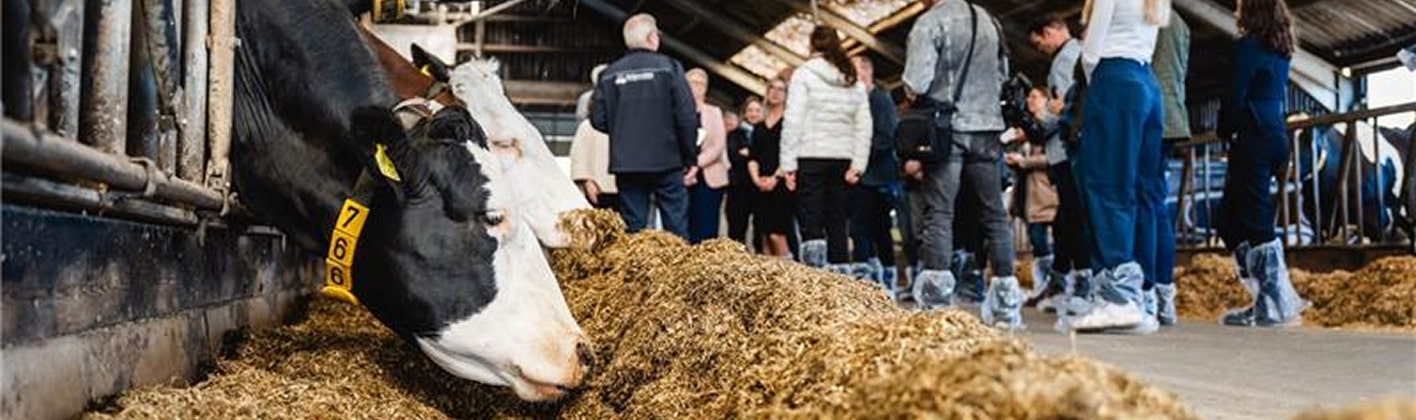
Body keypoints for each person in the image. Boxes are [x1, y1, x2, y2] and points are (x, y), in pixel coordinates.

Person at [902, 0, 1022, 329]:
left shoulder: (931, 22)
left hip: (948, 128)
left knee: (940, 211)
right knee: (994, 213)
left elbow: (916, 81)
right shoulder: (989, 19)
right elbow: (1003, 76)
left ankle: (936, 304)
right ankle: (1005, 306)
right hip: (988, 128)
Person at [1064, 0, 1169, 333]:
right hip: (1146, 81)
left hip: (1114, 78)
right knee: (1142, 192)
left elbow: (1092, 49)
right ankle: (1143, 292)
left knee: (1106, 183)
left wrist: (1097, 84)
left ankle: (1117, 297)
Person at [1216, 0, 1307, 327]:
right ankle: (1266, 295)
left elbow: (1235, 96)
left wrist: (1224, 130)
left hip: (1253, 136)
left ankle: (1272, 303)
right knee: (1228, 217)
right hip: (1274, 135)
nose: (1236, 10)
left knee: (1252, 218)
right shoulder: (1281, 49)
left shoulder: (1248, 47)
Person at [591, 14, 699, 238]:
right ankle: (678, 272)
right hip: (667, 161)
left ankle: (636, 272)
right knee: (675, 226)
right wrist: (690, 158)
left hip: (627, 163)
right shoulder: (670, 68)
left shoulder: (609, 73)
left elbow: (597, 119)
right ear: (652, 37)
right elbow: (687, 117)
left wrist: (624, 130)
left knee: (634, 227)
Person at [780, 26, 872, 274]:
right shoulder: (852, 79)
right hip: (842, 158)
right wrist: (858, 164)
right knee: (838, 220)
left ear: (812, 45)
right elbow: (864, 125)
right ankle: (840, 278)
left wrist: (788, 164)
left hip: (810, 155)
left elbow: (793, 120)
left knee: (811, 219)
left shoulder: (803, 74)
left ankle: (814, 278)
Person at [1028, 15, 1095, 311]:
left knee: (1074, 218)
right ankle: (1059, 280)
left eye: (1039, 41)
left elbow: (1066, 107)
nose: (1040, 48)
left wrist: (1043, 117)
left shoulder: (1066, 59)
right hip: (1065, 149)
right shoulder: (1075, 54)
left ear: (1051, 31)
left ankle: (1083, 281)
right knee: (1065, 220)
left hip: (1067, 150)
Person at [1147, 10, 1190, 326]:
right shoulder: (1181, 24)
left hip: (1145, 116)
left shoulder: (1141, 13)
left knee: (1141, 205)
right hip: (1172, 116)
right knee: (1157, 205)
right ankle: (1164, 294)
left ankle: (1145, 292)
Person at [848, 55, 901, 295]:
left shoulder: (879, 98)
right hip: (858, 175)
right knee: (859, 229)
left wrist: (859, 159)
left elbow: (886, 137)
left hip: (877, 175)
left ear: (866, 72)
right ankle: (865, 281)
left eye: (853, 70)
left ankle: (887, 278)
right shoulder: (854, 99)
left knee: (879, 229)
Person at [1005, 87, 1060, 303]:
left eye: (1035, 97)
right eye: (1028, 96)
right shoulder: (1026, 128)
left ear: (1047, 100)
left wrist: (1025, 162)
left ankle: (1051, 283)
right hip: (1028, 191)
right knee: (1035, 239)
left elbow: (1054, 156)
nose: (1030, 100)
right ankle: (1043, 284)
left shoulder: (1051, 125)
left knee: (1044, 237)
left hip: (1046, 189)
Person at [749, 79, 794, 258]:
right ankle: (771, 282)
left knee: (778, 234)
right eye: (772, 88)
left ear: (786, 95)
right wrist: (756, 180)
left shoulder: (789, 122)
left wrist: (775, 178)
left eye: (780, 89)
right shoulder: (759, 126)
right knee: (764, 236)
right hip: (760, 184)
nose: (775, 92)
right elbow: (753, 157)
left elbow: (790, 152)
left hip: (781, 182)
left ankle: (789, 278)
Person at [684, 68, 729, 244]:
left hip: (709, 177)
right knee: (683, 226)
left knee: (707, 227)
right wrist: (686, 166)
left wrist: (696, 163)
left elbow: (718, 144)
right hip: (682, 176)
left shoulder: (714, 111)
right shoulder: (674, 110)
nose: (698, 86)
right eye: (693, 82)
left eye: (701, 83)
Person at [725, 99, 761, 247]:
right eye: (750, 110)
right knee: (737, 227)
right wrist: (754, 155)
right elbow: (733, 156)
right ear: (745, 113)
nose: (753, 114)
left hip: (759, 187)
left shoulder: (765, 132)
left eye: (757, 110)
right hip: (738, 187)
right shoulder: (735, 134)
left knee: (760, 229)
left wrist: (749, 153)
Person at [569, 109, 618, 210]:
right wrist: (587, 181)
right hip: (598, 188)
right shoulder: (587, 126)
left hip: (627, 186)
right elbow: (579, 155)